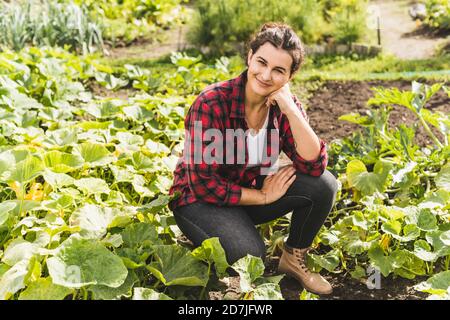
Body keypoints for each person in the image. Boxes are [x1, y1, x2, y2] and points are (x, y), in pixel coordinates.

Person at [168, 22, 338, 295]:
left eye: (279, 70)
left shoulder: (283, 107)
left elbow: (314, 165)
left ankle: (292, 259)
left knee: (323, 185)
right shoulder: (212, 103)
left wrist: (292, 111)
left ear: (290, 76)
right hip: (198, 201)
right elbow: (202, 184)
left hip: (244, 190)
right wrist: (262, 197)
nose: (266, 75)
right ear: (249, 57)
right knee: (251, 256)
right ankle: (209, 233)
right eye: (261, 62)